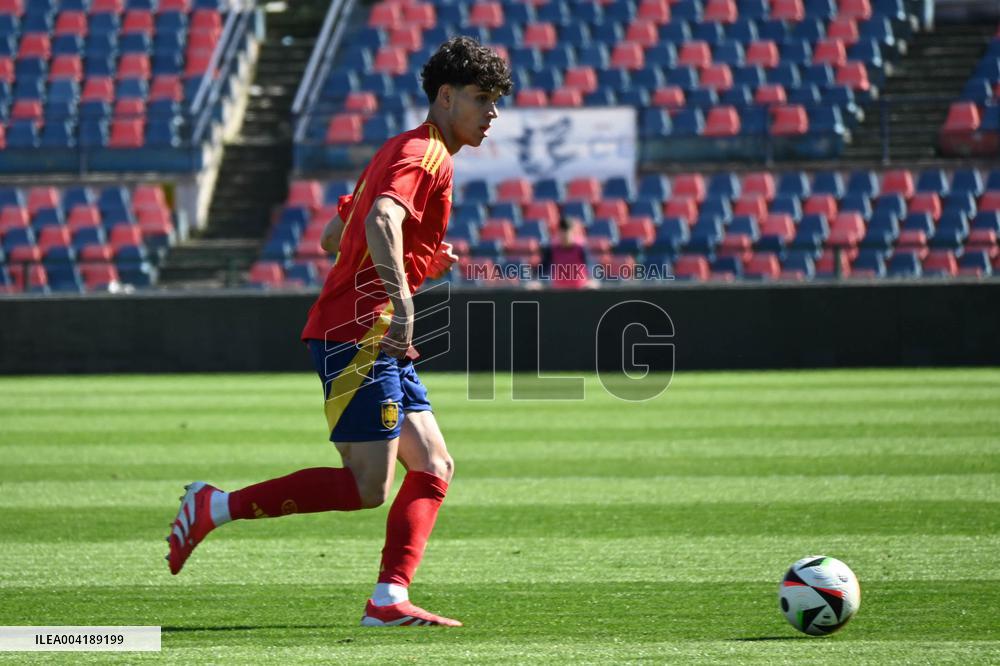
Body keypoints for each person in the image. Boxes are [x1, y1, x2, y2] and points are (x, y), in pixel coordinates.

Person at [166, 37, 512, 628]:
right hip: (360, 335)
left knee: (434, 464)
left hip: (376, 335)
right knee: (366, 486)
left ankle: (388, 597)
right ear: (445, 97)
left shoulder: (399, 150)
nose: (492, 113)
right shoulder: (426, 156)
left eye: (496, 100)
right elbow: (379, 219)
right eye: (482, 98)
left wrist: (420, 260)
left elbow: (335, 236)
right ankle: (214, 505)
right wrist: (403, 297)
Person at [539, 216, 591, 289]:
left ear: (573, 233)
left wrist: (592, 280)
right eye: (562, 233)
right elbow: (543, 269)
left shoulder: (581, 248)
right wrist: (538, 282)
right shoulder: (552, 248)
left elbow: (589, 266)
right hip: (559, 290)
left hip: (579, 289)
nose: (565, 236)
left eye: (567, 233)